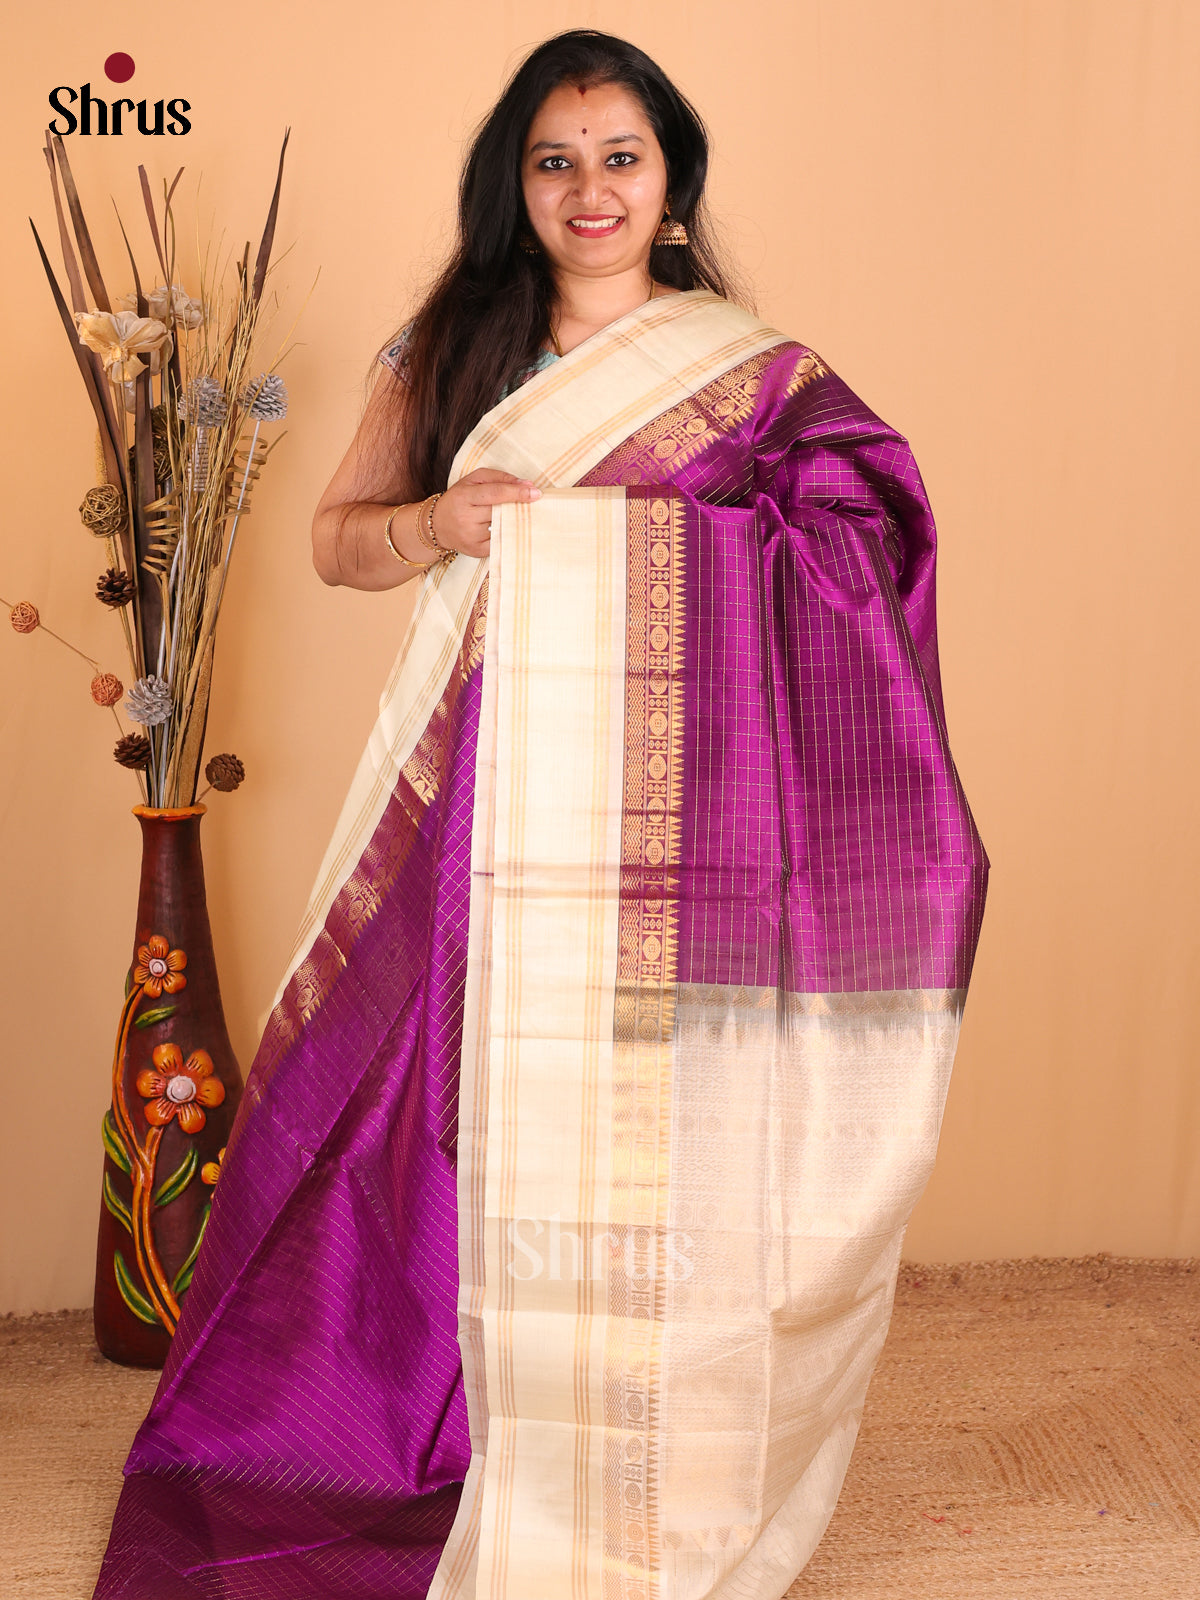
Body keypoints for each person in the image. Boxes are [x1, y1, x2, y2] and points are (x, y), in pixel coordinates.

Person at [93, 29, 987, 1600]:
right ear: (515, 184)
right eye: (555, 160)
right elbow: (339, 545)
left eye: (620, 158)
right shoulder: (449, 347)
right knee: (430, 1108)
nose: (590, 190)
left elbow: (863, 543)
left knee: (654, 1128)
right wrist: (443, 521)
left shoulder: (754, 378)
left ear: (672, 182)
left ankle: (636, 1442)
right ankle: (427, 1428)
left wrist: (663, 565)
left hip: (674, 834)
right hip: (481, 806)